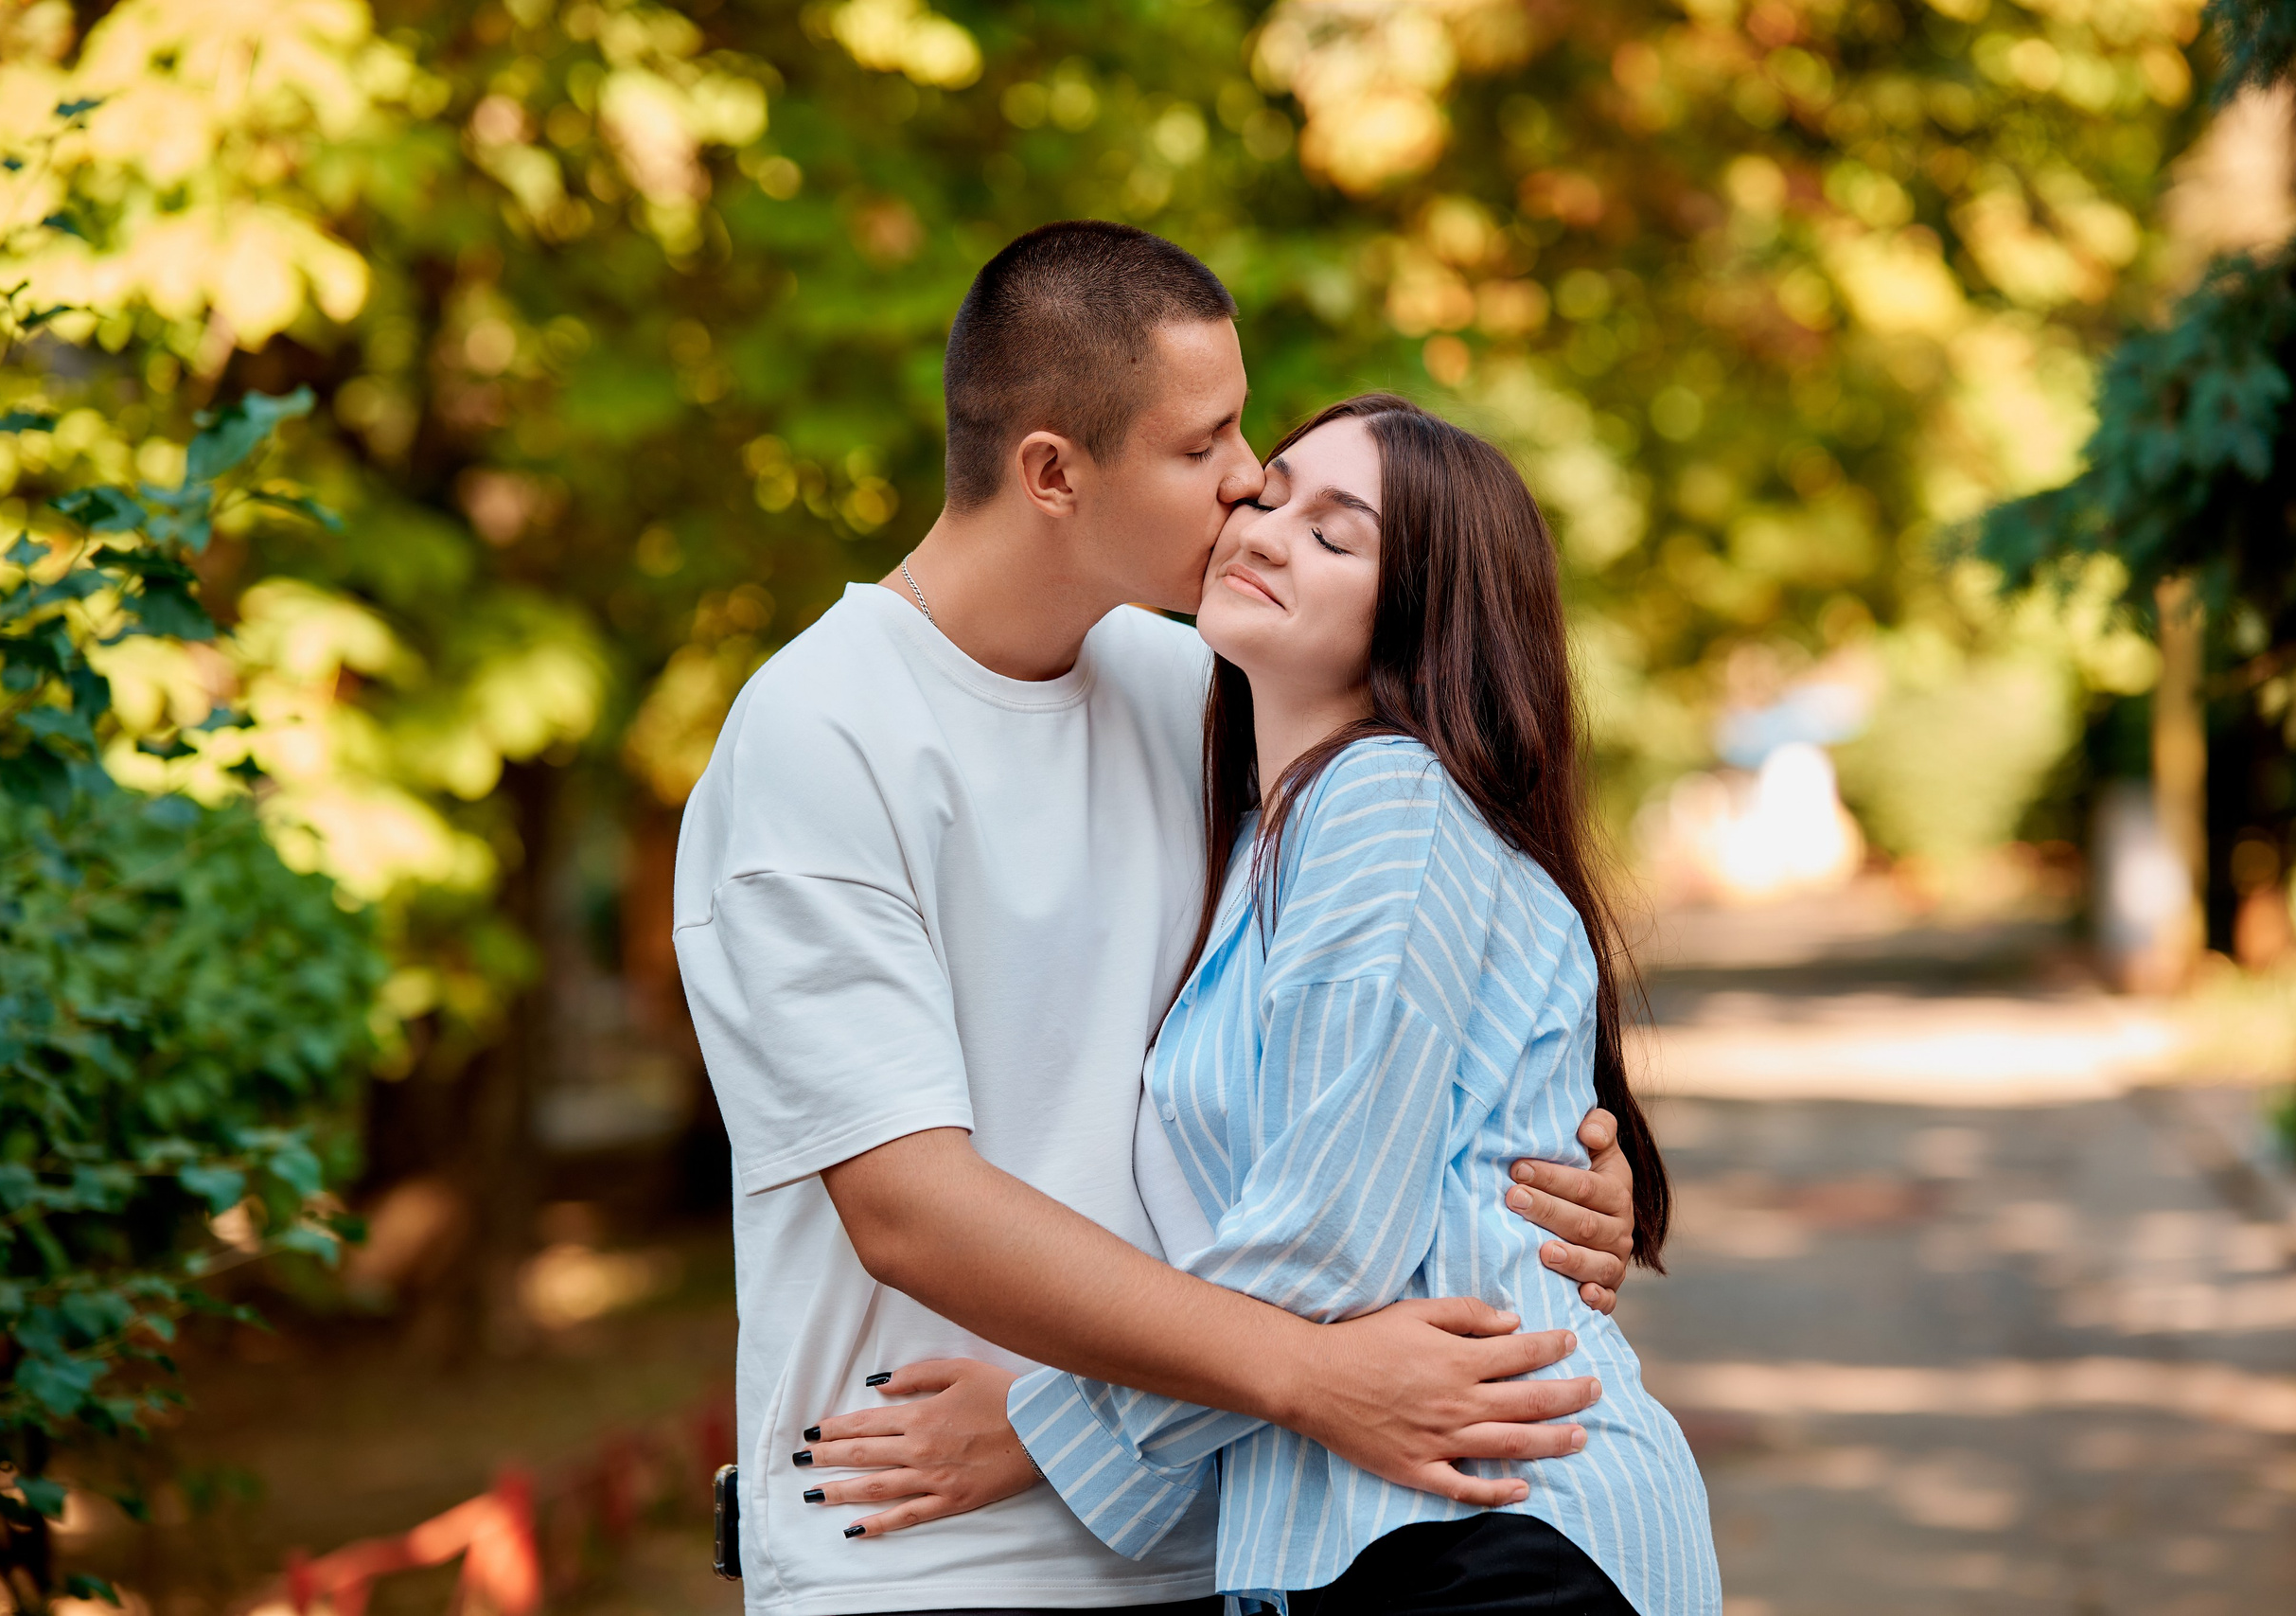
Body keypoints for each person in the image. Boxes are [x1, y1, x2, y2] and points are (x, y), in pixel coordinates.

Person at [674, 221, 1643, 1616]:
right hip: (930, 1539)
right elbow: (908, 1207)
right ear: (1052, 473)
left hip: (1226, 1526)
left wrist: (1556, 1169)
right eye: (1206, 445)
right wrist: (1307, 1371)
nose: (1248, 478)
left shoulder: (1194, 686)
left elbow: (1391, 997)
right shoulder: (820, 733)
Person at [1007, 396, 1721, 1614]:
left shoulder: (1387, 801)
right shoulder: (1261, 843)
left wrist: (1038, 1434)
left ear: (1424, 618)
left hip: (1499, 1527)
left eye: (1334, 535)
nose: (1264, 533)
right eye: (1265, 497)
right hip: (1368, 1544)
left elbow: (1332, 1232)